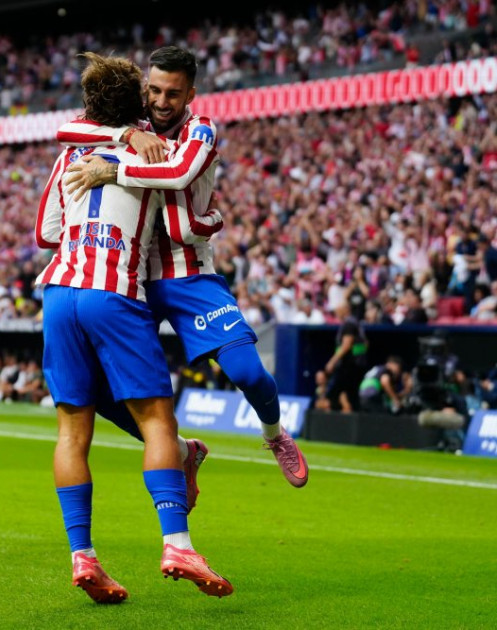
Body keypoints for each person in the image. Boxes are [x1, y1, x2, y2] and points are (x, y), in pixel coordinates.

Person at [58, 46, 308, 488]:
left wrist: (114, 171)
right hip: (131, 278)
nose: (160, 101)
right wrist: (127, 138)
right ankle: (179, 450)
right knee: (94, 390)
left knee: (247, 372)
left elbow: (175, 172)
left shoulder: (202, 130)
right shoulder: (129, 126)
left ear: (190, 93)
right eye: (153, 90)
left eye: (172, 93)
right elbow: (65, 130)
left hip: (189, 272)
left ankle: (275, 434)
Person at [37, 52, 232, 605]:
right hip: (114, 292)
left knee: (72, 433)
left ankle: (83, 556)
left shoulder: (70, 150)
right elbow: (182, 220)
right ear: (141, 99)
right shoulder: (156, 148)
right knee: (158, 425)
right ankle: (177, 544)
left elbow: (46, 231)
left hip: (58, 292)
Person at [324, 300, 369, 412]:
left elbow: (346, 345)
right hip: (357, 365)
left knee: (333, 394)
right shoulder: (356, 324)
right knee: (351, 395)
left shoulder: (348, 324)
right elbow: (366, 343)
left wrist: (332, 362)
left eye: (337, 308)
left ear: (346, 309)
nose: (335, 311)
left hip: (349, 366)